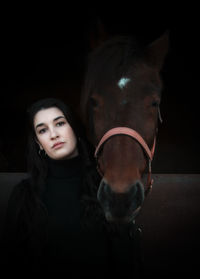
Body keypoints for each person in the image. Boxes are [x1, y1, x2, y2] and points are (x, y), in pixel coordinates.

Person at [1, 98, 142, 277]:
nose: (53, 134)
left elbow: (125, 261)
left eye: (59, 123)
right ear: (38, 144)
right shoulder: (24, 195)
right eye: (43, 130)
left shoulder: (106, 188)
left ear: (74, 127)